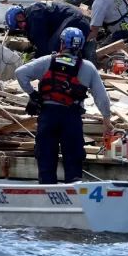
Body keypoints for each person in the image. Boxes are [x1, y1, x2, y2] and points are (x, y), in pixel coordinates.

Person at [15, 27, 112, 184]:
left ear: (62, 43)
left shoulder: (47, 61)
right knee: (74, 161)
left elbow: (20, 73)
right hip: (71, 118)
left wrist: (33, 95)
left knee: (46, 159)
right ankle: (73, 200)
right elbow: (101, 97)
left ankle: (48, 197)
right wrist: (106, 118)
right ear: (80, 46)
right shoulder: (87, 68)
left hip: (48, 116)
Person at [5, 1, 96, 61]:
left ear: (21, 13)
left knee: (51, 49)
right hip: (76, 21)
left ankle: (86, 48)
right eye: (19, 26)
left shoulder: (35, 16)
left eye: (19, 19)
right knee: (57, 47)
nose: (22, 25)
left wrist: (36, 58)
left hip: (75, 21)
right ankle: (84, 51)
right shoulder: (32, 13)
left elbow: (43, 46)